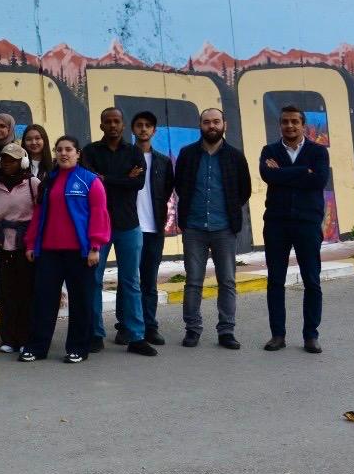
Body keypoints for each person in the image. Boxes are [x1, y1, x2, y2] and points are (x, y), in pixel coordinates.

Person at [23, 136, 110, 363]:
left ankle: (78, 348)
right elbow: (38, 215)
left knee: (81, 301)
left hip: (80, 253)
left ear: (78, 153)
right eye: (59, 150)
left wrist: (95, 246)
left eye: (69, 149)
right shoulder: (49, 181)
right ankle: (36, 347)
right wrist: (31, 243)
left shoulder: (91, 181)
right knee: (43, 301)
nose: (64, 153)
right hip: (50, 252)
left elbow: (99, 215)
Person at [173, 107, 253, 350]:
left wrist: (227, 209)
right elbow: (180, 185)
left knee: (227, 281)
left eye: (216, 122)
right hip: (194, 228)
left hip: (224, 228)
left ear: (224, 125)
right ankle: (192, 329)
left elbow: (244, 190)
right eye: (207, 122)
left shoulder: (235, 156)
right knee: (193, 281)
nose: (212, 126)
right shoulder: (187, 154)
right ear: (201, 125)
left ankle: (226, 331)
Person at [82, 108, 156, 356]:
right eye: (108, 122)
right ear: (101, 125)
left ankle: (136, 336)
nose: (112, 125)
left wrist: (107, 179)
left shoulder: (134, 151)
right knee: (94, 281)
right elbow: (91, 183)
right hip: (98, 226)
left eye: (117, 121)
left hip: (128, 226)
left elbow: (138, 183)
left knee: (131, 281)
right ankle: (95, 334)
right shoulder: (90, 151)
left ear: (123, 126)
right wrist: (121, 178)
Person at [260, 105, 331, 354]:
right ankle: (277, 335)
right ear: (280, 125)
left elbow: (319, 180)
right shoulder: (269, 150)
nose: (289, 126)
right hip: (276, 223)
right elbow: (269, 176)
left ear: (303, 125)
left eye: (294, 122)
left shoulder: (318, 151)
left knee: (312, 280)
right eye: (285, 122)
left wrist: (283, 174)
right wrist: (303, 172)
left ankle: (311, 335)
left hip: (308, 223)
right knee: (275, 281)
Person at [127, 111, 174, 347]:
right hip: (129, 228)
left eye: (148, 126)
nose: (143, 129)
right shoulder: (125, 157)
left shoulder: (163, 162)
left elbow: (165, 191)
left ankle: (150, 326)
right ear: (133, 129)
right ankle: (126, 326)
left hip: (153, 228)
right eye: (139, 125)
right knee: (129, 280)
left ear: (154, 131)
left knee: (149, 279)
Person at [0, 142, 37, 355]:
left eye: (13, 160)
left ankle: (26, 338)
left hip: (25, 244)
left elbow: (40, 214)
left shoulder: (32, 183)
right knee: (6, 293)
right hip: (4, 244)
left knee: (26, 293)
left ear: (22, 162)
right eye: (5, 159)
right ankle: (8, 338)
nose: (8, 163)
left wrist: (34, 243)